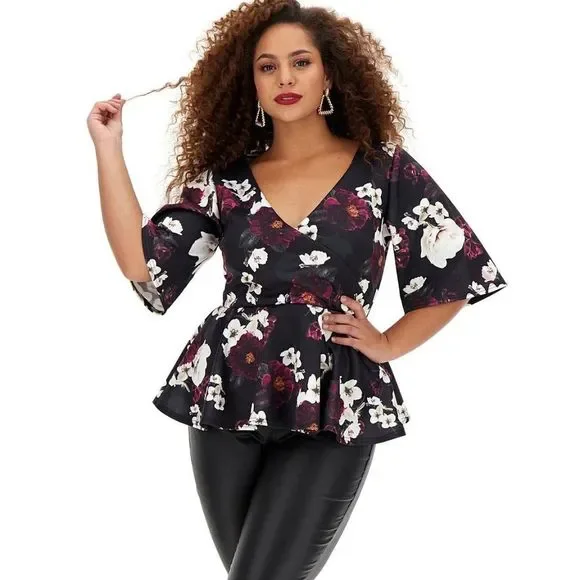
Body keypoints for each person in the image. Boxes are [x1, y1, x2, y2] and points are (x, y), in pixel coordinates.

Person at [87, 1, 508, 578]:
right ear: (251, 83)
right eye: (267, 67)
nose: (284, 77)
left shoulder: (383, 170)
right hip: (227, 394)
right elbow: (143, 263)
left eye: (301, 62)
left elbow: (453, 268)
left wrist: (387, 343)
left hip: (336, 399)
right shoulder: (225, 181)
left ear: (329, 73)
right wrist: (108, 148)